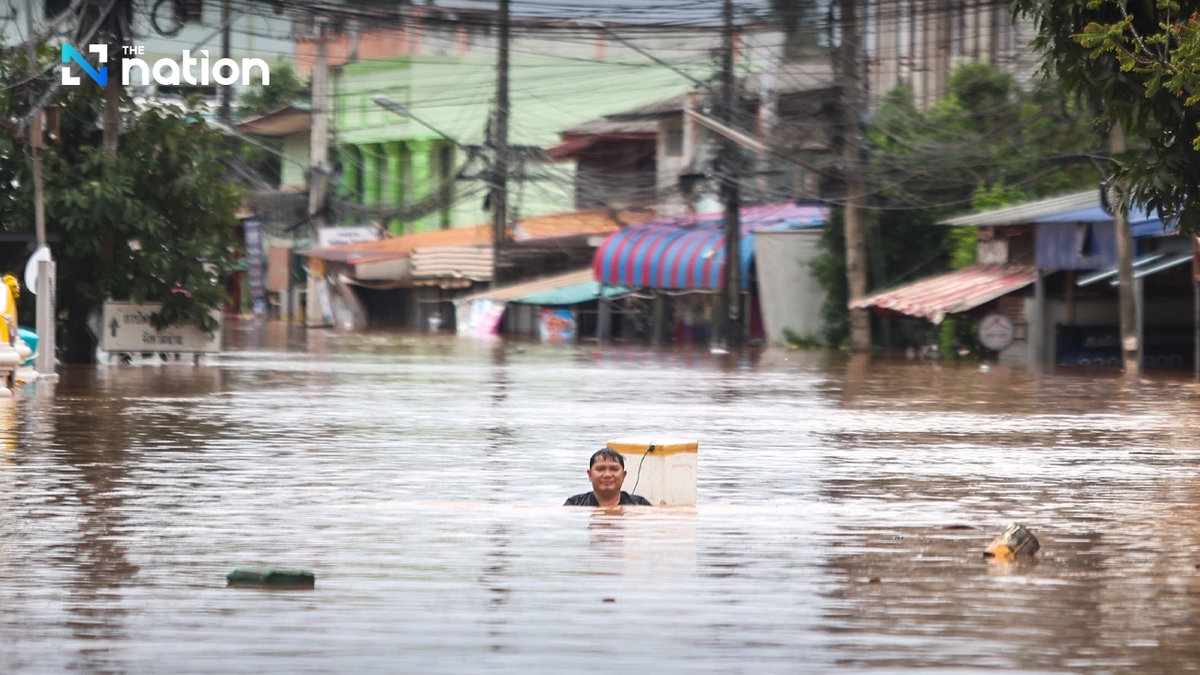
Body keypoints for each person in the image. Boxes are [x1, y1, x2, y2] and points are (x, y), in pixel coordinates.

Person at [564, 448, 652, 506]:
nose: (607, 475)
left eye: (614, 469)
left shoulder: (640, 504)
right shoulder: (574, 504)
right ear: (590, 475)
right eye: (600, 469)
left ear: (624, 475)